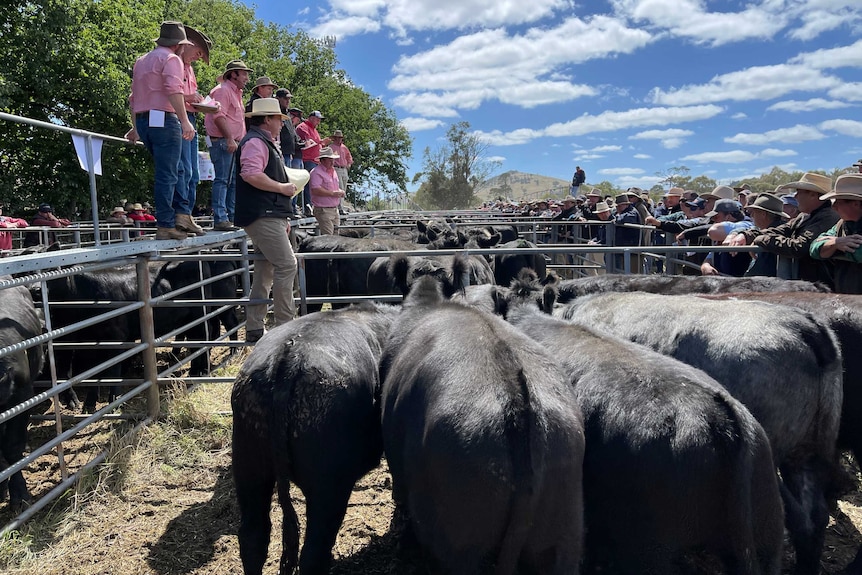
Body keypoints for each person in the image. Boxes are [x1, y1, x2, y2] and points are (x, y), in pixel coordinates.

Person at [234, 98, 300, 342]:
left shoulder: (261, 142)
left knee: (265, 269)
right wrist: (283, 189)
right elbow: (251, 174)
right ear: (267, 119)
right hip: (263, 215)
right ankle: (285, 327)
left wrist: (282, 214)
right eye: (278, 119)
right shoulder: (255, 142)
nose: (281, 124)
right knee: (287, 264)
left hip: (267, 214)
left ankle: (254, 326)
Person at [124, 21, 196, 240]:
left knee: (175, 169)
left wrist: (136, 127)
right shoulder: (172, 59)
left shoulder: (141, 60)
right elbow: (174, 90)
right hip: (165, 119)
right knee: (169, 173)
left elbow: (133, 98)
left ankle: (182, 215)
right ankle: (166, 224)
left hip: (146, 121)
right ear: (179, 44)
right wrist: (185, 120)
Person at [727, 172, 838, 284]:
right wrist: (747, 235)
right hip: (809, 284)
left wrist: (761, 239)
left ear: (813, 195)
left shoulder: (827, 217)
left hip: (820, 286)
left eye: (799, 192)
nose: (795, 196)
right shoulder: (806, 215)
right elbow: (782, 229)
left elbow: (800, 247)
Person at [205, 59, 253, 231]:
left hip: (231, 142)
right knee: (223, 180)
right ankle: (221, 218)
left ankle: (231, 216)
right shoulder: (223, 91)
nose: (247, 77)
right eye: (244, 73)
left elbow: (236, 121)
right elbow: (219, 117)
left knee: (232, 182)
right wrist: (230, 138)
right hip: (224, 142)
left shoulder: (233, 92)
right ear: (234, 74)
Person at [173, 25, 212, 237]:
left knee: (192, 172)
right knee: (183, 169)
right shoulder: (175, 63)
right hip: (180, 118)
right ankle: (181, 215)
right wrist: (190, 99)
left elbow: (186, 95)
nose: (198, 58)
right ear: (189, 44)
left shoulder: (187, 67)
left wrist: (199, 102)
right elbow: (172, 93)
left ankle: (186, 214)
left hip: (190, 117)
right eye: (198, 53)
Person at [810, 173, 862, 294]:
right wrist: (836, 243)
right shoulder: (841, 225)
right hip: (848, 299)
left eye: (838, 202)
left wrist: (831, 248)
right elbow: (814, 248)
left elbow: (859, 253)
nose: (834, 207)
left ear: (856, 203)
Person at [737, 193, 789, 277]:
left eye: (754, 212)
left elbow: (760, 272)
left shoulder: (771, 237)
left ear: (763, 214)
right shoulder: (771, 230)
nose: (752, 215)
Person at [699, 199, 752, 277]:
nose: (713, 220)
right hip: (724, 282)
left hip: (741, 282)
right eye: (712, 218)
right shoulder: (723, 231)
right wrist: (705, 266)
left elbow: (713, 231)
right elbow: (709, 258)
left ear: (729, 216)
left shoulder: (746, 224)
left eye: (716, 217)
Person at [296, 111, 331, 213]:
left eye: (320, 119)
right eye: (317, 119)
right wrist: (321, 142)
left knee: (314, 185)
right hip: (307, 160)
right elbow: (309, 142)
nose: (319, 121)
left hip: (315, 161)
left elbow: (317, 144)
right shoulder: (303, 127)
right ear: (310, 118)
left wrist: (322, 144)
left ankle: (311, 206)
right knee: (308, 185)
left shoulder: (314, 130)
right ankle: (307, 207)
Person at [309, 146, 345, 234]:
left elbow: (332, 187)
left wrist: (340, 191)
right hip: (323, 210)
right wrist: (333, 193)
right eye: (330, 159)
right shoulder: (316, 172)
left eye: (332, 159)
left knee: (336, 237)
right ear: (322, 160)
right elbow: (315, 190)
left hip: (334, 209)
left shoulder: (333, 171)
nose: (333, 162)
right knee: (329, 237)